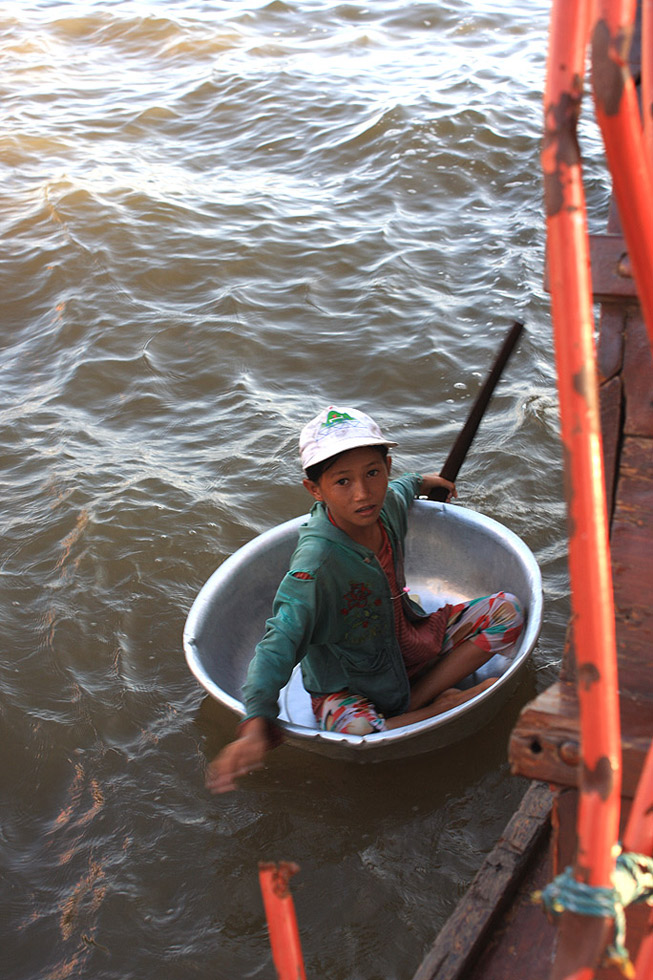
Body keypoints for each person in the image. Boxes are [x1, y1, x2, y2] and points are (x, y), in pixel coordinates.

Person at [206, 405, 524, 794]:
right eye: (342, 482)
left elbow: (403, 489)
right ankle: (435, 708)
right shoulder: (316, 565)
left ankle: (416, 700)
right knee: (358, 732)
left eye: (372, 473)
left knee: (508, 611)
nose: (362, 493)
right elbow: (278, 643)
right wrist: (257, 722)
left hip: (409, 640)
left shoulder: (384, 505)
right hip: (351, 681)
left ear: (386, 468)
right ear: (315, 490)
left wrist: (423, 481)